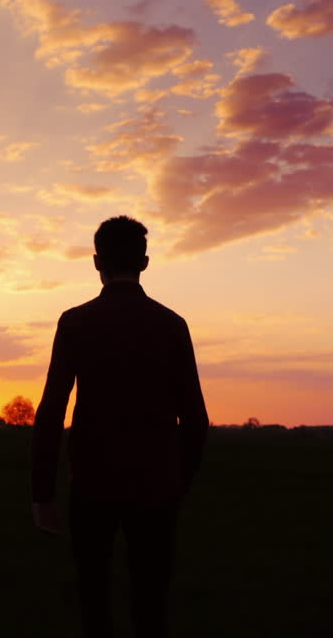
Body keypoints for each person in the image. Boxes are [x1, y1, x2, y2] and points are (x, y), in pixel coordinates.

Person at [31, 215, 208, 638]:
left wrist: (42, 492)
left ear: (97, 262)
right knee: (152, 600)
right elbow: (196, 419)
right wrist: (178, 483)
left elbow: (52, 409)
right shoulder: (171, 324)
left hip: (92, 481)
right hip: (156, 485)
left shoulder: (75, 322)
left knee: (93, 598)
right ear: (144, 262)